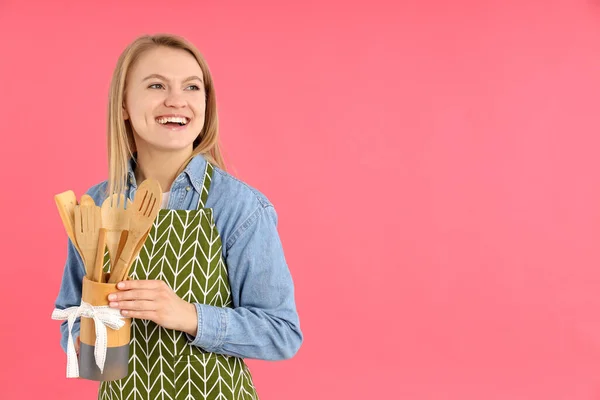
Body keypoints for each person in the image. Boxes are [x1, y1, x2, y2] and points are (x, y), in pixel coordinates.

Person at [53, 33, 303, 399]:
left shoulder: (239, 206)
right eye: (156, 85)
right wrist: (82, 341)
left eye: (191, 87)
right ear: (123, 103)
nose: (177, 100)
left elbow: (282, 332)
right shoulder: (97, 204)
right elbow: (69, 309)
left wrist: (187, 315)